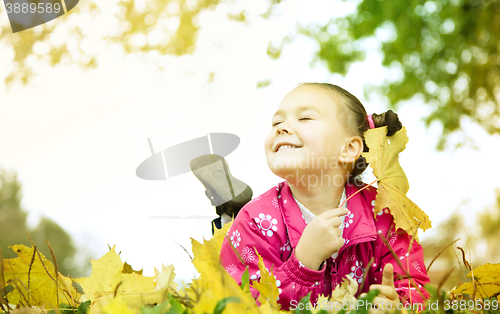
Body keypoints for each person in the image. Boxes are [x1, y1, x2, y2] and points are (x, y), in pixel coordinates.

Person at [219, 83, 430, 311]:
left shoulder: (384, 213)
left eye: (304, 118)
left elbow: (414, 285)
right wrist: (302, 265)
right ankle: (224, 212)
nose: (281, 128)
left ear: (349, 148)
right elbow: (241, 302)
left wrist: (397, 303)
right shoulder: (255, 221)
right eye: (276, 122)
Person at [190, 154, 253, 235]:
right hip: (246, 219)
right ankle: (230, 219)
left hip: (230, 228)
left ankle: (227, 222)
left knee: (224, 229)